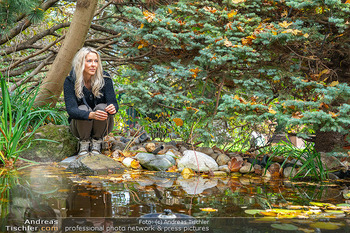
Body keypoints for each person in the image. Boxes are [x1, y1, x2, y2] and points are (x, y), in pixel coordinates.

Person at [64, 47, 118, 155]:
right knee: (82, 109)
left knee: (102, 107)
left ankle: (97, 143)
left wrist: (113, 108)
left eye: (96, 61)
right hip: (79, 128)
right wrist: (91, 115)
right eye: (89, 61)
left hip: (102, 126)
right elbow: (71, 110)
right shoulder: (70, 80)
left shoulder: (105, 77)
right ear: (80, 62)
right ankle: (84, 144)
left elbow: (113, 103)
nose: (93, 65)